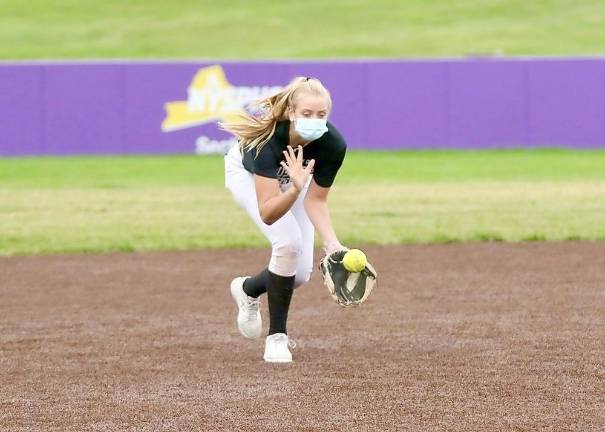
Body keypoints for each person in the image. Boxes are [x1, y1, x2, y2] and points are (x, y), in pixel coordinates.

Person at [220, 76, 347, 363]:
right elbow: (268, 212)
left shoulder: (332, 145)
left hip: (294, 185)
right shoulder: (264, 143)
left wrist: (333, 243)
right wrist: (295, 189)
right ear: (291, 112)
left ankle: (247, 289)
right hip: (248, 176)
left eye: (321, 114)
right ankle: (277, 339)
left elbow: (316, 200)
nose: (315, 119)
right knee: (288, 243)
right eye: (306, 113)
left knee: (298, 274)